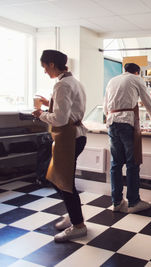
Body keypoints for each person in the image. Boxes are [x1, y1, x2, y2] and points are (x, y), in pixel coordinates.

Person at [32, 50, 88, 242]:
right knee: (58, 179)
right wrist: (51, 104)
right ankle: (73, 216)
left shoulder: (62, 85)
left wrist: (40, 114)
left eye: (45, 67)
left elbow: (60, 118)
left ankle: (78, 225)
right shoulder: (74, 82)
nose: (45, 71)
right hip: (77, 136)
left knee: (64, 183)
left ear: (52, 64)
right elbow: (69, 109)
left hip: (68, 137)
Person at [103, 63, 151, 213]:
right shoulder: (136, 79)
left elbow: (105, 106)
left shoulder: (112, 80)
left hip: (112, 122)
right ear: (137, 72)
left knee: (115, 164)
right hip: (127, 123)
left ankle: (117, 202)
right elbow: (148, 101)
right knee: (132, 164)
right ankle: (134, 202)